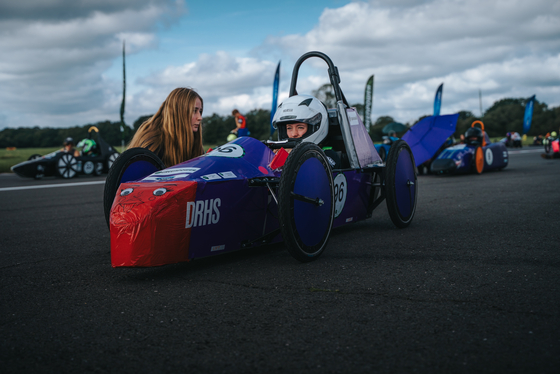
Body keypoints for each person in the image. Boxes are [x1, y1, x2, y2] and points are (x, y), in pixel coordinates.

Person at [128, 87, 204, 168]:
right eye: (194, 111)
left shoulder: (194, 141)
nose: (200, 117)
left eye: (200, 111)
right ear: (179, 112)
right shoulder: (153, 144)